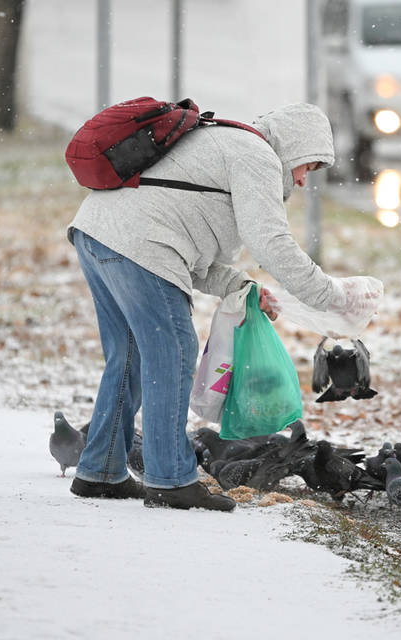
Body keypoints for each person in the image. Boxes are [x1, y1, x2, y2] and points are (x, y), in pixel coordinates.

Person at [67, 102, 365, 512]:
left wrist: (241, 286)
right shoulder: (256, 154)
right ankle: (170, 480)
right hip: (139, 245)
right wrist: (329, 294)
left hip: (97, 234)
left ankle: (100, 472)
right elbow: (270, 241)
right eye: (307, 167)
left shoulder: (224, 144)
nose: (301, 179)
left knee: (131, 356)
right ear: (295, 147)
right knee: (172, 352)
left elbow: (192, 255)